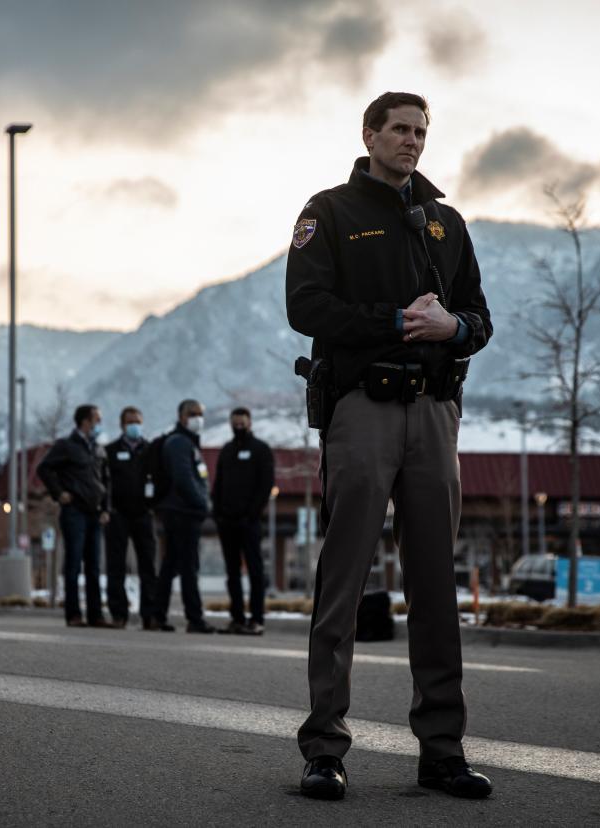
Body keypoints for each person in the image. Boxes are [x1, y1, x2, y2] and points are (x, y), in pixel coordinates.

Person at [285, 92, 494, 801]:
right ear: (369, 134)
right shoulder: (330, 212)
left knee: (436, 586)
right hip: (362, 410)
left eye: (421, 131)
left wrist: (454, 331)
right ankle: (324, 748)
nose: (412, 141)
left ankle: (442, 751)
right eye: (400, 129)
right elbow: (305, 308)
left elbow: (480, 317)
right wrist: (396, 321)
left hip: (434, 415)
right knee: (342, 583)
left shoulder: (445, 223)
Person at [36, 404, 111, 628]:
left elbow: (106, 481)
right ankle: (74, 614)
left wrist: (106, 508)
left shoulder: (98, 449)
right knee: (73, 564)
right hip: (74, 512)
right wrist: (59, 493)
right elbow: (44, 469)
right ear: (85, 421)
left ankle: (96, 615)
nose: (99, 424)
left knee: (94, 567)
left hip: (95, 513)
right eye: (97, 419)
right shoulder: (66, 446)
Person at [151, 400, 216, 634]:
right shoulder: (179, 443)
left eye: (200, 414)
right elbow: (184, 478)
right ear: (181, 416)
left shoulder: (188, 442)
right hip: (182, 512)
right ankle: (194, 618)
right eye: (192, 414)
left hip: (183, 511)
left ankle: (157, 615)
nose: (197, 418)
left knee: (172, 565)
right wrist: (203, 504)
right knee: (188, 566)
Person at [211, 407, 275, 635]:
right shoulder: (226, 451)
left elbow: (265, 485)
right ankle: (237, 618)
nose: (238, 426)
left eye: (242, 423)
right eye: (235, 423)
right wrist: (217, 514)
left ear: (249, 423)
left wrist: (252, 513)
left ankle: (256, 619)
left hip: (249, 522)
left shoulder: (261, 450)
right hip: (226, 522)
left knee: (255, 572)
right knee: (233, 573)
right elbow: (218, 484)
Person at [104, 406, 159, 630]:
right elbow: (104, 482)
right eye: (129, 422)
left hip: (144, 514)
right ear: (122, 425)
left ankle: (150, 615)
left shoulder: (151, 450)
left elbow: (160, 479)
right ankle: (119, 614)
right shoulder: (110, 451)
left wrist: (153, 505)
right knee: (116, 566)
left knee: (148, 565)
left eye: (137, 421)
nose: (134, 425)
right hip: (118, 515)